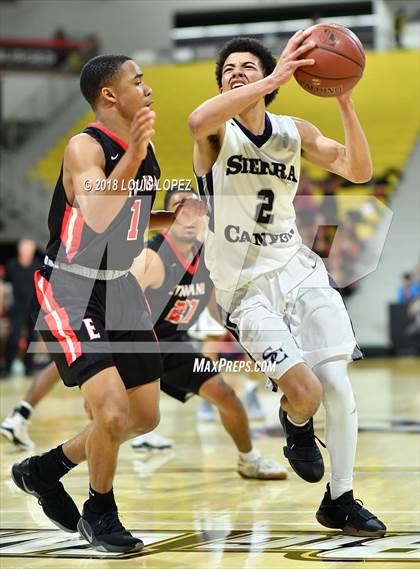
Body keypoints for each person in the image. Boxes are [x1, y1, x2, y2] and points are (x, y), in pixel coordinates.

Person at [188, 33, 386, 537]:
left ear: (270, 79)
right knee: (305, 393)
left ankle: (340, 498)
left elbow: (359, 170)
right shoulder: (215, 134)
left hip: (298, 268)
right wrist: (273, 78)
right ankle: (296, 422)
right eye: (228, 68)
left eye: (247, 67)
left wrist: (345, 102)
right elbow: (196, 120)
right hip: (244, 288)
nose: (236, 72)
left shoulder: (293, 131)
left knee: (337, 383)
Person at [11, 54, 204, 554]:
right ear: (110, 96)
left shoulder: (143, 149)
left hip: (119, 285)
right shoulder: (83, 147)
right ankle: (101, 511)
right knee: (113, 414)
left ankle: (44, 468)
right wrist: (136, 154)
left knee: (144, 417)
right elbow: (96, 215)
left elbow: (127, 220)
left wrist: (170, 217)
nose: (148, 86)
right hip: (72, 288)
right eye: (137, 80)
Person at [130, 186, 286, 480]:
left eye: (195, 209)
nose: (189, 216)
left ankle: (249, 459)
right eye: (180, 208)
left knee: (225, 394)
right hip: (139, 348)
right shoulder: (151, 257)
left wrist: (259, 350)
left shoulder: (208, 257)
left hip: (173, 347)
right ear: (166, 217)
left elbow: (218, 313)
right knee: (126, 420)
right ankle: (60, 466)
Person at [0, 239, 41, 378]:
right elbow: (5, 287)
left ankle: (29, 367)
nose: (26, 252)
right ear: (19, 250)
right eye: (24, 249)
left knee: (32, 337)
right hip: (17, 307)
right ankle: (7, 367)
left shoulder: (37, 265)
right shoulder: (11, 265)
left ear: (33, 250)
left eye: (29, 249)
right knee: (14, 337)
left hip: (33, 308)